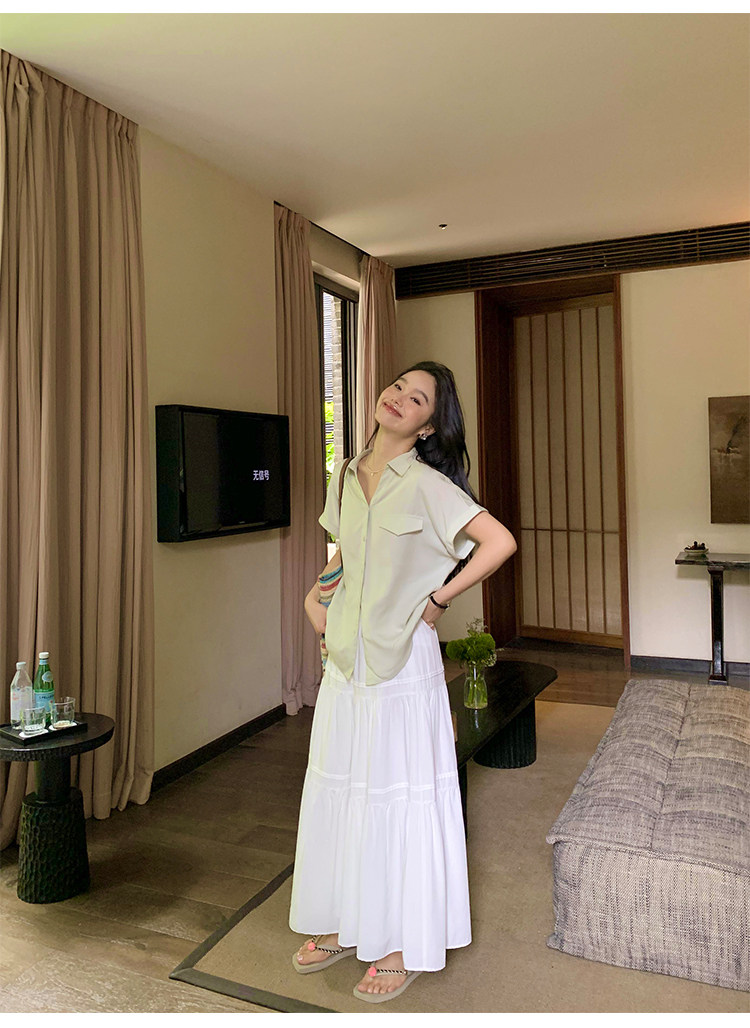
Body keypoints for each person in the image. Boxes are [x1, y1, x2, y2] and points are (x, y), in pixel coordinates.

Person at [289, 361, 517, 1003]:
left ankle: (399, 943)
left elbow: (498, 542)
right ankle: (342, 921)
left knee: (396, 794)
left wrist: (439, 599)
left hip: (401, 662)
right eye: (397, 387)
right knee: (343, 787)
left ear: (426, 427)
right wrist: (316, 599)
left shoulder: (427, 486)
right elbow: (344, 554)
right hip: (346, 662)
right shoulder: (346, 475)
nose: (398, 398)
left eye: (417, 399)